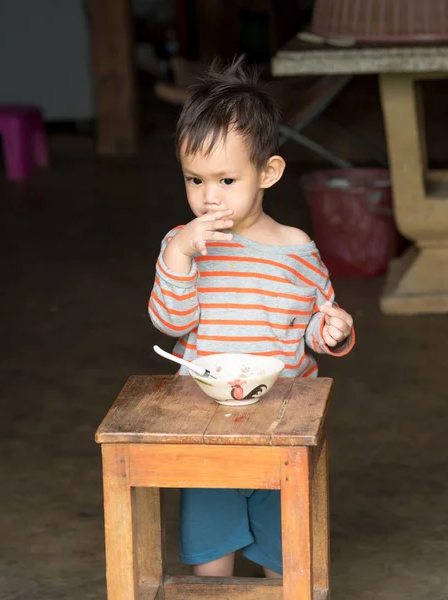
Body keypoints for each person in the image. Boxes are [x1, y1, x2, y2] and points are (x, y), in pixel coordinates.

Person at [148, 57, 355, 578]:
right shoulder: (184, 243)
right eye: (195, 179)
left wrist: (331, 330)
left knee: (285, 560)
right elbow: (170, 322)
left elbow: (309, 323)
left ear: (268, 172)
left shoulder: (297, 249)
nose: (208, 196)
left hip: (281, 421)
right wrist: (179, 254)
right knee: (210, 560)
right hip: (206, 422)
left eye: (225, 179)